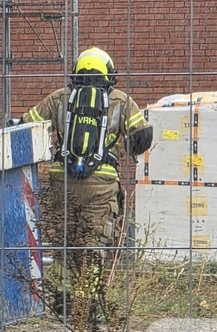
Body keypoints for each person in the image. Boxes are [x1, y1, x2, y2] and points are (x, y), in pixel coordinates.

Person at [20, 47, 152, 312]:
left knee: (63, 241)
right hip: (102, 184)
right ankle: (86, 303)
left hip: (62, 181)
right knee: (93, 243)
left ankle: (61, 301)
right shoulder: (121, 101)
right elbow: (142, 137)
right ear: (109, 75)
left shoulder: (59, 98)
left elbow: (26, 124)